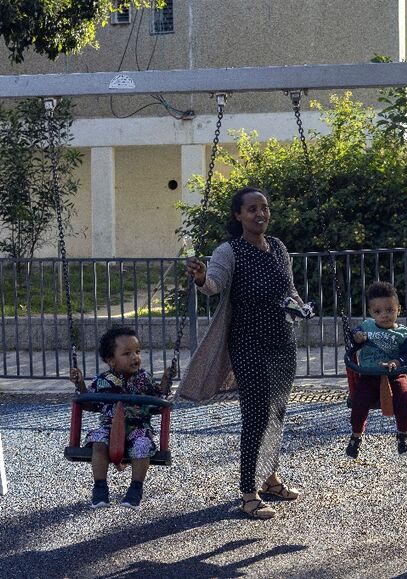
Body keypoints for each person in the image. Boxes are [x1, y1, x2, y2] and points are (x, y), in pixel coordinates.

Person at [183, 186, 303, 520]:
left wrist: (297, 305)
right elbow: (215, 284)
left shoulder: (277, 247)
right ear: (238, 215)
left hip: (282, 339)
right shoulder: (229, 250)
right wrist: (202, 276)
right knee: (256, 415)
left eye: (264, 208)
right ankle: (248, 492)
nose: (260, 214)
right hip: (248, 342)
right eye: (251, 209)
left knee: (276, 412)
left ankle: (270, 478)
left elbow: (288, 287)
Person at [68, 326, 172, 510]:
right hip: (109, 426)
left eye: (137, 352)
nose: (135, 357)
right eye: (127, 353)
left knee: (143, 445)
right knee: (98, 443)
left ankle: (135, 489)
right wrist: (80, 384)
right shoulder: (103, 380)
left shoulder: (144, 378)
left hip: (137, 428)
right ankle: (100, 487)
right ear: (111, 360)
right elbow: (90, 403)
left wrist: (166, 380)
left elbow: (159, 398)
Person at [346, 281, 407, 458]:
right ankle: (356, 436)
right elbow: (353, 335)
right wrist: (357, 337)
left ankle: (403, 434)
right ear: (371, 312)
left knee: (404, 399)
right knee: (359, 402)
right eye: (378, 312)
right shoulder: (366, 326)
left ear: (398, 310)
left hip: (394, 375)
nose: (384, 315)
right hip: (369, 376)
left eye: (389, 310)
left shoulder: (404, 334)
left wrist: (397, 361)